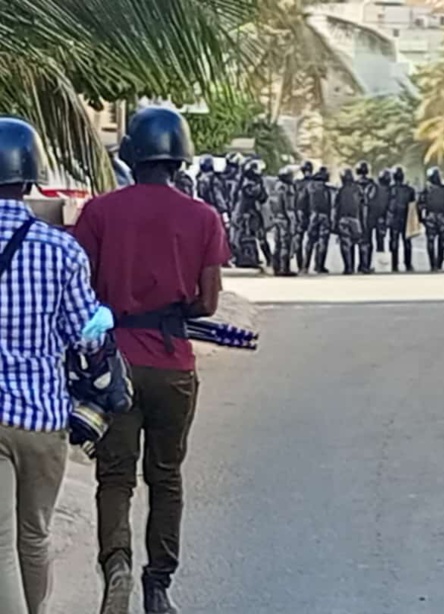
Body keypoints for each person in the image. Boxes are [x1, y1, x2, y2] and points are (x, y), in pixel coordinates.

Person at [73, 106, 230, 614]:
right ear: (180, 159)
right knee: (166, 476)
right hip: (172, 364)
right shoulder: (204, 217)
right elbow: (207, 303)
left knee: (114, 477)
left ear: (133, 155)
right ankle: (158, 584)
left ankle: (115, 565)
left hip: (113, 364)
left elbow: (82, 291)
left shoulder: (99, 212)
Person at [0, 117, 106, 614]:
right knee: (35, 534)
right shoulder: (60, 250)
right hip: (41, 416)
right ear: (29, 179)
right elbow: (85, 336)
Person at [231, 158, 271, 271]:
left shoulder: (242, 181)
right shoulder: (247, 184)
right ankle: (249, 258)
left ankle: (266, 259)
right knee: (255, 236)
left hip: (248, 212)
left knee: (257, 235)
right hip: (246, 213)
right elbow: (261, 196)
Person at [418, 167, 444, 271]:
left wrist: (422, 219)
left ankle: (433, 265)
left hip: (430, 217)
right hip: (441, 217)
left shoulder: (426, 189)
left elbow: (420, 205)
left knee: (431, 241)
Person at [264, 166, 298, 276]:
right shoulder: (287, 189)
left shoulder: (275, 188)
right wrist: (292, 221)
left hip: (276, 218)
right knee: (285, 244)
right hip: (285, 219)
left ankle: (276, 267)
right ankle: (284, 268)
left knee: (277, 244)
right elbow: (289, 207)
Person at [334, 168, 367, 275]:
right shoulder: (358, 189)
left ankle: (348, 267)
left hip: (343, 219)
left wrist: (334, 223)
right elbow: (363, 206)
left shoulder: (340, 190)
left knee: (345, 244)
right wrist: (364, 222)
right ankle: (363, 266)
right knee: (361, 243)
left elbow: (335, 207)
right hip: (355, 219)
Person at [303, 166, 333, 274]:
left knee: (310, 241)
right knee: (322, 241)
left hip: (312, 216)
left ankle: (305, 265)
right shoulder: (326, 189)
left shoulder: (309, 187)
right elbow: (331, 205)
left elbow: (303, 203)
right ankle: (319, 266)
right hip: (324, 217)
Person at [387, 166, 417, 272]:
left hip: (394, 218)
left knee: (394, 241)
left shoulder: (389, 190)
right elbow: (413, 207)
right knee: (407, 242)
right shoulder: (410, 190)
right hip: (406, 218)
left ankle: (394, 265)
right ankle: (408, 264)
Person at [363, 169, 391, 271]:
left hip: (370, 217)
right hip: (380, 219)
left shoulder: (372, 187)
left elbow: (366, 200)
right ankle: (380, 266)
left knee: (368, 242)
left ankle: (366, 265)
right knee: (380, 242)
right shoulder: (388, 190)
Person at [292, 161, 313, 272]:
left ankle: (300, 264)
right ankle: (306, 265)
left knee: (298, 240)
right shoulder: (314, 183)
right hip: (310, 213)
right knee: (310, 241)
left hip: (299, 212)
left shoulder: (296, 183)